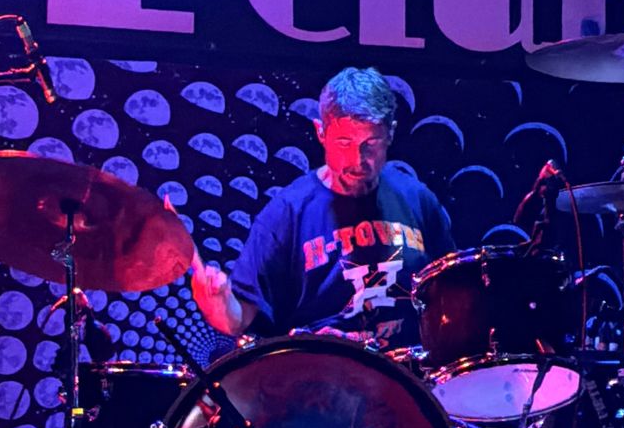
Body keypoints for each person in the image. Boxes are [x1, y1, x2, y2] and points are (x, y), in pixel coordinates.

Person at [189, 66, 454, 350]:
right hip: (320, 368)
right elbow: (238, 320)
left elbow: (451, 294)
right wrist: (218, 303)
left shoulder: (417, 199)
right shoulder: (287, 213)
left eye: (371, 143)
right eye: (344, 143)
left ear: (390, 134)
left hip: (406, 367)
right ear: (321, 132)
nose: (357, 159)